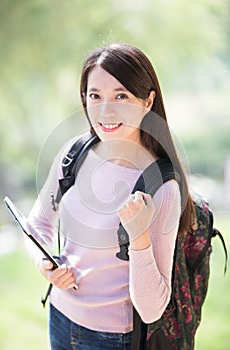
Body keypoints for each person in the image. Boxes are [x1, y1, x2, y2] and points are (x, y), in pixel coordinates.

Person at [27, 43, 195, 350]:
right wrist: (44, 263)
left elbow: (152, 308)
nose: (105, 111)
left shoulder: (161, 188)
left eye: (121, 96)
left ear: (147, 101)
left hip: (111, 337)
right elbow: (39, 221)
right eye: (95, 96)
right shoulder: (74, 152)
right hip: (60, 316)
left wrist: (139, 235)